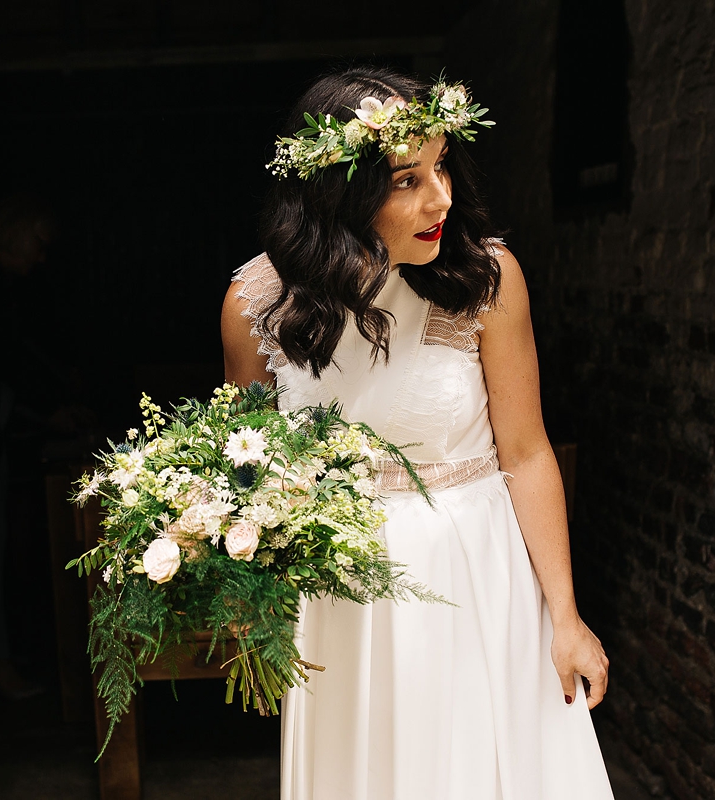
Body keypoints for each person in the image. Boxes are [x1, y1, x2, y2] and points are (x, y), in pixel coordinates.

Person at [221, 66, 615, 799]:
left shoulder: (487, 280)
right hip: (341, 598)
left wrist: (565, 616)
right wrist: (248, 595)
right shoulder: (256, 304)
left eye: (441, 167)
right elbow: (249, 478)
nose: (441, 198)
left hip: (473, 576)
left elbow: (526, 454)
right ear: (341, 195)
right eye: (406, 180)